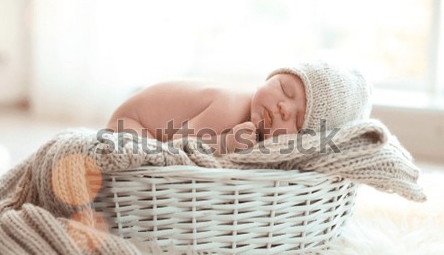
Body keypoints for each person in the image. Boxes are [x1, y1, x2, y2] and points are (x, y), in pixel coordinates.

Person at [106, 61, 372, 155]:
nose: (283, 107)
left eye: (297, 118)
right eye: (284, 88)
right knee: (147, 159)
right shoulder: (231, 107)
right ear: (269, 78)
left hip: (151, 130)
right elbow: (178, 147)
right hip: (131, 124)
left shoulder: (256, 129)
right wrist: (228, 143)